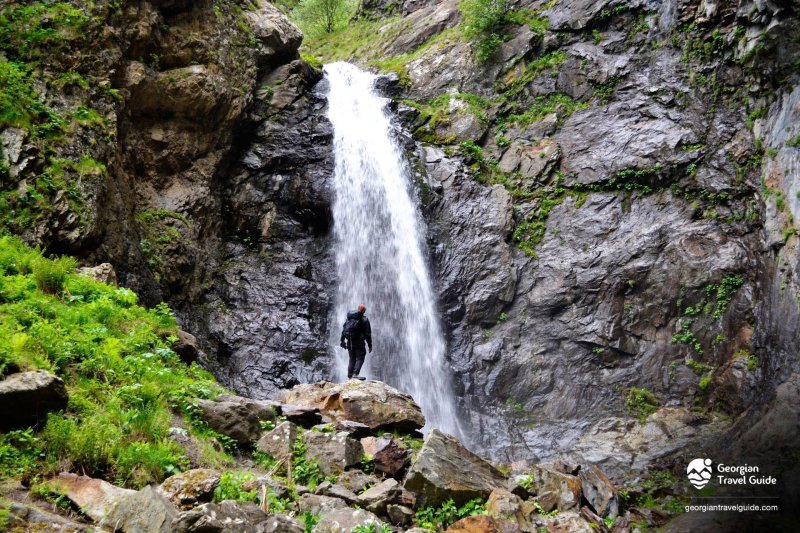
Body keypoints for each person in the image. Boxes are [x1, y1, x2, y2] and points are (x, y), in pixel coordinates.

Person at [340, 303, 372, 380]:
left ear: (358, 309)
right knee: (360, 358)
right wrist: (370, 345)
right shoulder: (364, 319)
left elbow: (344, 330)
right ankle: (355, 374)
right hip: (359, 342)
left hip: (349, 341)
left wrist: (342, 341)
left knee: (352, 358)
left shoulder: (349, 318)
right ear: (364, 311)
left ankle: (350, 375)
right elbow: (368, 334)